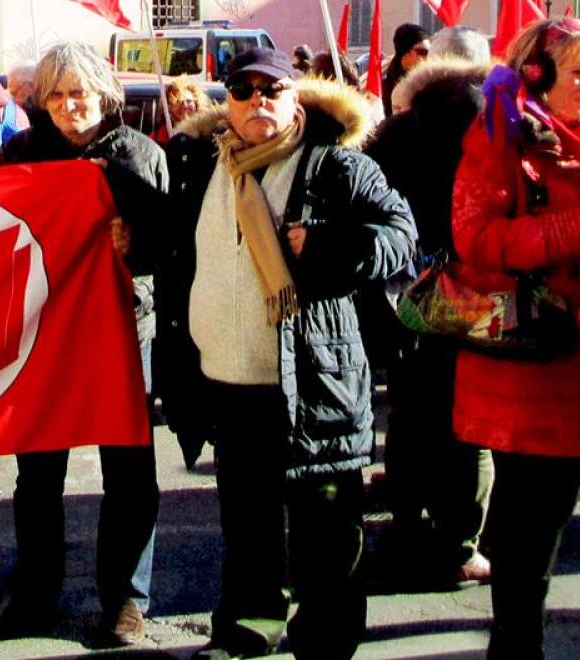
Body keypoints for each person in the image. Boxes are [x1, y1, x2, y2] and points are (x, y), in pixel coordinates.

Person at [158, 48, 416, 659]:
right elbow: (172, 250)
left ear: (294, 97)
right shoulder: (203, 163)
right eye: (243, 91)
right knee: (247, 524)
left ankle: (327, 640)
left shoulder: (335, 165)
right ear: (228, 102)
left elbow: (401, 239)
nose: (258, 101)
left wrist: (330, 245)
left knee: (327, 527)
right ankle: (249, 628)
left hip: (314, 380)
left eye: (271, 89)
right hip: (227, 376)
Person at [450, 18, 580, 659]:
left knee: (540, 524)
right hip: (524, 364)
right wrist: (579, 226)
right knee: (532, 531)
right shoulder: (500, 135)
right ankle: (515, 647)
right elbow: (476, 238)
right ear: (538, 74)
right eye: (578, 72)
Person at [0, 41, 166, 646]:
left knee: (128, 469)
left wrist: (133, 241)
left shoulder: (140, 154)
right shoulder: (18, 154)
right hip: (42, 329)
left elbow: (170, 246)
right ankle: (37, 592)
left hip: (123, 327)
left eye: (80, 93)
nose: (70, 106)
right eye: (57, 95)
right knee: (37, 470)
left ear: (104, 94)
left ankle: (126, 600)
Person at [365, 48, 495, 590]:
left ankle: (406, 527)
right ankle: (463, 544)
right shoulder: (498, 122)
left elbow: (372, 202)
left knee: (412, 414)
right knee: (472, 427)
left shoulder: (400, 134)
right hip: (484, 289)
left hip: (414, 293)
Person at [388, 26, 490, 114]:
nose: (423, 57)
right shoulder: (498, 110)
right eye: (422, 52)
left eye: (426, 52)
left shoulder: (411, 109)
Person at [381, 23, 430, 116]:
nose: (427, 58)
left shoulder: (429, 85)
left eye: (429, 52)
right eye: (423, 52)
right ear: (405, 52)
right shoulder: (383, 90)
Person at [154, 75, 212, 145]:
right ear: (169, 108)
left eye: (189, 101)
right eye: (178, 102)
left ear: (197, 105)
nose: (185, 106)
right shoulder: (156, 138)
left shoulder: (208, 134)